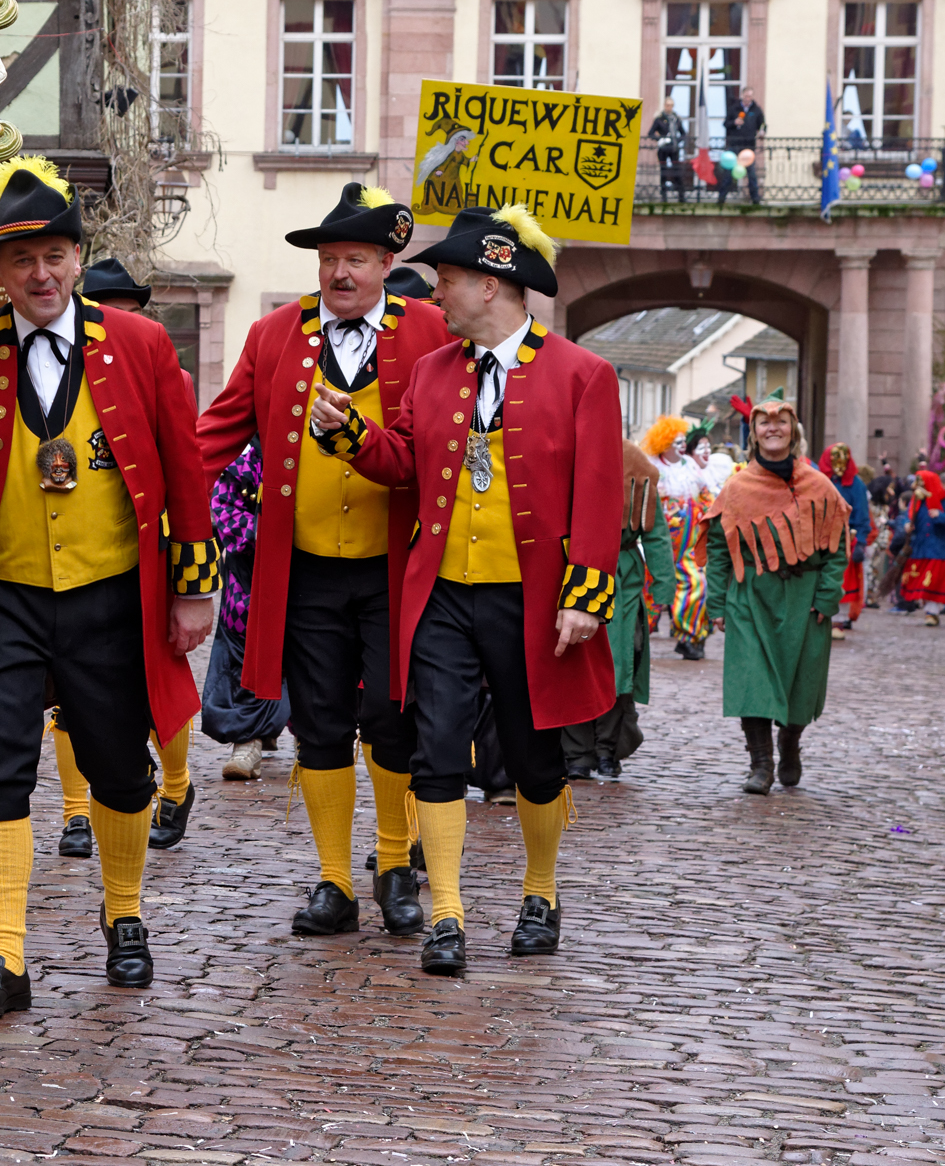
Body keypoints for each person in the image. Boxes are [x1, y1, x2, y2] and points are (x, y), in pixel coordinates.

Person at [0, 156, 217, 1020]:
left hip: (111, 593)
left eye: (55, 256)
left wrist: (193, 591)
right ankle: (5, 957)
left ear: (79, 260)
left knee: (118, 767)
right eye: (22, 260)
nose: (41, 274)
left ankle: (124, 915)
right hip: (2, 595)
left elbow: (186, 473)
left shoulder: (142, 344)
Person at [315, 203, 622, 977]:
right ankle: (447, 913)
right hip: (443, 593)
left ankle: (541, 892)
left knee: (533, 755)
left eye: (446, 282)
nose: (436, 296)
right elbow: (403, 463)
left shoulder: (582, 373)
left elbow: (599, 492)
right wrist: (350, 435)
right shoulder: (432, 371)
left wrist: (585, 594)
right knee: (437, 748)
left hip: (531, 599)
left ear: (491, 285)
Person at [196, 182, 453, 941]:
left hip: (391, 564)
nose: (340, 273)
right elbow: (218, 430)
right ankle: (335, 878)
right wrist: (162, 491)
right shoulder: (276, 333)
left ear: (385, 263)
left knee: (391, 715)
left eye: (357, 259)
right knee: (321, 722)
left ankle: (395, 864)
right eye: (330, 258)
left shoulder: (430, 329)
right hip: (305, 564)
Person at [46, 256, 203, 849]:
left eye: (127, 311)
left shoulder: (168, 371)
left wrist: (187, 568)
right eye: (106, 309)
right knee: (67, 692)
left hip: (144, 544)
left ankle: (176, 785)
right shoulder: (62, 360)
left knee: (157, 679)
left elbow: (183, 465)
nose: (115, 322)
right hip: (67, 542)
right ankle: (75, 811)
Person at [704, 393, 848, 794]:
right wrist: (716, 601)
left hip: (805, 598)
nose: (773, 427)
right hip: (750, 596)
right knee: (752, 680)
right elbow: (718, 549)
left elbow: (838, 545)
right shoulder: (736, 488)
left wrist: (827, 596)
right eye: (764, 422)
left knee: (800, 682)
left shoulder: (819, 486)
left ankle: (790, 742)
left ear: (793, 431)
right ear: (753, 433)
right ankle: (761, 765)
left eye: (781, 421)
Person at [563, 441, 676, 783]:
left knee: (618, 664)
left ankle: (607, 749)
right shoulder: (564, 448)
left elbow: (655, 533)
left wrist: (663, 585)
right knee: (573, 661)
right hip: (571, 566)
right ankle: (576, 754)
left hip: (622, 575)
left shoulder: (636, 464)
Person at [201, 442, 292, 780]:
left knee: (308, 659)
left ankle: (307, 737)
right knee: (245, 659)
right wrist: (263, 537)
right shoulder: (245, 460)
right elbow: (223, 505)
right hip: (248, 580)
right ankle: (247, 739)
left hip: (307, 574)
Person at [644, 416, 712, 659]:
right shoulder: (652, 467)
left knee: (695, 584)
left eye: (684, 441)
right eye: (677, 441)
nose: (682, 445)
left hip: (687, 542)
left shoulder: (690, 467)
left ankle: (690, 636)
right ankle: (641, 632)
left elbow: (704, 495)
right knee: (649, 586)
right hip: (657, 541)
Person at [820, 442, 871, 638]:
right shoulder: (818, 479)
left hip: (845, 541)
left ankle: (838, 621)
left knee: (842, 580)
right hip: (819, 538)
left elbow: (862, 514)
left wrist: (861, 541)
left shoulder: (856, 484)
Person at [900, 469, 945, 625]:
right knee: (919, 581)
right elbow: (906, 517)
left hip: (938, 548)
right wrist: (906, 525)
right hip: (919, 547)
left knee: (934, 582)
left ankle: (932, 612)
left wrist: (941, 516)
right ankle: (926, 608)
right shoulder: (916, 499)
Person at [720, 87, 765, 204]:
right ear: (742, 96)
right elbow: (725, 124)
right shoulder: (734, 108)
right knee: (728, 174)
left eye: (750, 97)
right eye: (746, 96)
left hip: (749, 146)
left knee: (751, 174)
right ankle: (721, 198)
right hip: (735, 144)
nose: (747, 99)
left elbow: (763, 124)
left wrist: (762, 132)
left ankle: (755, 199)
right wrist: (734, 122)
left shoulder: (756, 110)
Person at [648, 96, 689, 202]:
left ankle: (681, 196)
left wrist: (678, 140)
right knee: (664, 171)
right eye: (667, 105)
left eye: (671, 105)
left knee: (677, 170)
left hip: (674, 148)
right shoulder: (660, 119)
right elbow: (651, 133)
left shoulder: (676, 118)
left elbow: (683, 133)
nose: (669, 107)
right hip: (663, 149)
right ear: (664, 106)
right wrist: (660, 139)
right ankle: (664, 196)